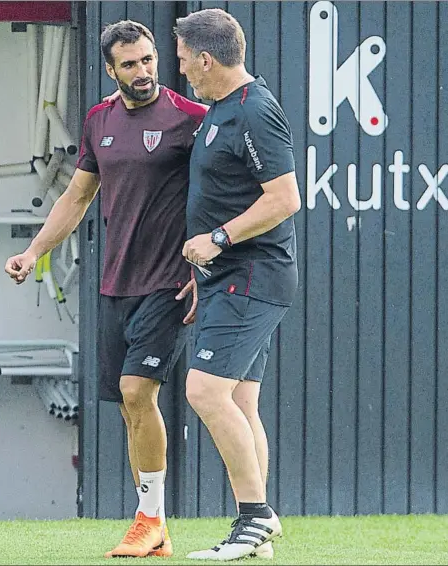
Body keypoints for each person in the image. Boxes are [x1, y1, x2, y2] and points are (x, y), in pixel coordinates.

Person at [5, 20, 207, 559]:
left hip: (170, 282)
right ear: (110, 69)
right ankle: (153, 524)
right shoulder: (99, 120)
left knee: (140, 393)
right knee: (126, 404)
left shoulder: (192, 120)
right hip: (116, 283)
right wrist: (33, 253)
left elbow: (224, 197)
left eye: (149, 60)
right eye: (131, 64)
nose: (144, 71)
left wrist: (203, 269)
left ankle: (150, 519)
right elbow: (76, 198)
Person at [173, 8, 301, 561]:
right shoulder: (222, 110)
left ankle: (255, 516)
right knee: (242, 402)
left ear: (206, 58)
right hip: (228, 276)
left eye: (182, 61)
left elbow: (285, 198)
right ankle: (255, 534)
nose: (180, 71)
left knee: (203, 390)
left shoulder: (253, 111)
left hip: (252, 273)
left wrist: (218, 241)